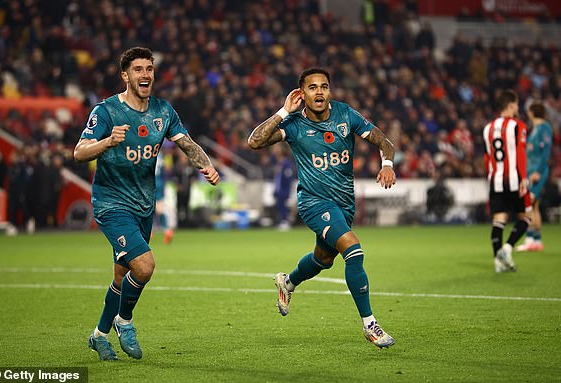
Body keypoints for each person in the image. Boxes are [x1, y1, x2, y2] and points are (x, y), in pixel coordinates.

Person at [74, 47, 220, 361]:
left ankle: (99, 336)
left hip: (143, 205)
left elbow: (186, 143)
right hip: (111, 203)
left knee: (120, 276)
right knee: (144, 266)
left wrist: (205, 165)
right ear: (124, 75)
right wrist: (107, 142)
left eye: (149, 69)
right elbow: (79, 152)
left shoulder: (163, 112)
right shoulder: (106, 112)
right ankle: (123, 321)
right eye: (138, 69)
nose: (145, 75)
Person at [248, 67, 396, 348]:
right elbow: (254, 142)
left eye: (324, 86)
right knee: (353, 250)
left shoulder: (345, 115)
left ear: (330, 91)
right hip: (314, 202)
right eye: (312, 87)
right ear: (301, 94)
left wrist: (387, 165)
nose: (319, 92)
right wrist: (282, 112)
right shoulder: (292, 125)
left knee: (323, 259)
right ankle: (370, 324)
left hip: (344, 203)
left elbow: (383, 142)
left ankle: (288, 283)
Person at [482, 89, 531, 273]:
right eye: (517, 104)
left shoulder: (487, 128)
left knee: (499, 219)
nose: (517, 108)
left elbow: (488, 158)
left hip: (495, 179)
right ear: (511, 105)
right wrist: (523, 177)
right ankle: (508, 248)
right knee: (526, 217)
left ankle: (498, 262)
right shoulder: (518, 125)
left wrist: (490, 176)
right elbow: (519, 152)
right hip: (514, 178)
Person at [516, 101, 553, 252]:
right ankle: (537, 241)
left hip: (538, 171)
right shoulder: (536, 129)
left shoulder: (544, 128)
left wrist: (537, 171)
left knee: (527, 205)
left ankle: (530, 238)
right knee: (534, 206)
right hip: (531, 171)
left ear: (532, 112)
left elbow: (545, 152)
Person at [272, 145, 295, 230]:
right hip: (278, 188)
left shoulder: (286, 163)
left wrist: (287, 189)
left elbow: (288, 176)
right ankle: (283, 220)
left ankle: (285, 221)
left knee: (284, 205)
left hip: (284, 189)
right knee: (279, 205)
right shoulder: (278, 162)